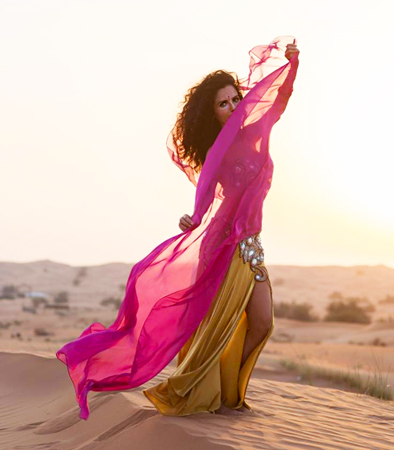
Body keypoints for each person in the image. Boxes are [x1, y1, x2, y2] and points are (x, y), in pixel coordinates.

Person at [55, 36, 299, 421]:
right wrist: (192, 220)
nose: (234, 106)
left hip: (251, 244)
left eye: (236, 98)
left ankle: (229, 393)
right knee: (215, 328)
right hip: (224, 245)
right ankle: (203, 394)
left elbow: (280, 100)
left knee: (263, 324)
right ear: (214, 114)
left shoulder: (256, 134)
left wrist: (293, 62)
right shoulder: (217, 152)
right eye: (224, 103)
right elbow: (204, 199)